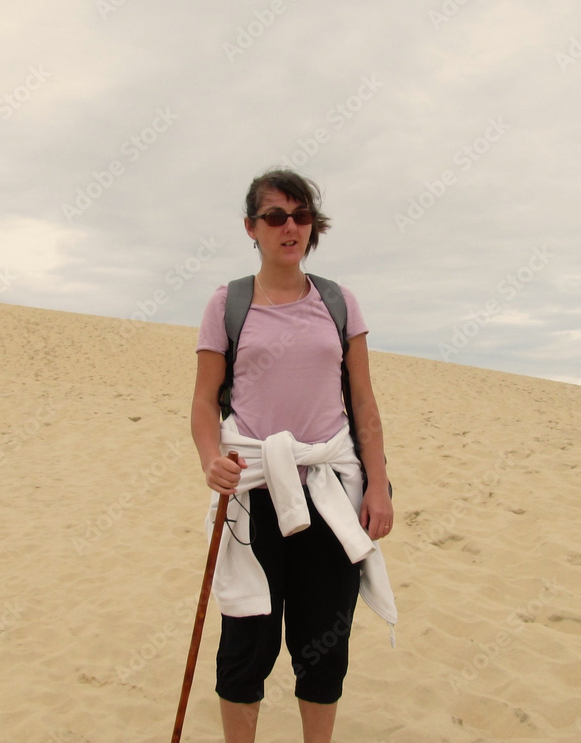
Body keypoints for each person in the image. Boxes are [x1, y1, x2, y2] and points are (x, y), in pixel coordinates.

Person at [190, 168, 396, 743]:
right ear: (250, 227)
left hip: (331, 491)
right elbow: (204, 401)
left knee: (324, 646)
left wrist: (378, 486)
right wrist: (210, 459)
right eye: (276, 216)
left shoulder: (339, 302)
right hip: (252, 490)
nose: (291, 227)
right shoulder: (227, 304)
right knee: (246, 644)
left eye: (301, 216)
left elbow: (363, 401)